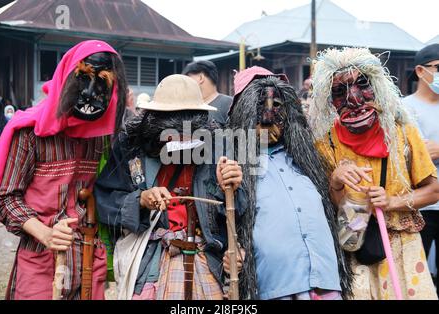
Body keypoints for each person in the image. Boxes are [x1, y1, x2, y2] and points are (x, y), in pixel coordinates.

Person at [0, 40, 127, 300]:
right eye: (82, 79)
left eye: (102, 82)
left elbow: (110, 190)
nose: (89, 92)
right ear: (66, 78)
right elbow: (6, 199)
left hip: (88, 259)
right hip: (39, 259)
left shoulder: (103, 136)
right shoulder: (31, 131)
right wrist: (46, 233)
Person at [94, 74, 245, 300]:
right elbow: (105, 199)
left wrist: (231, 187)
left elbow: (239, 211)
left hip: (205, 257)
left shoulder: (217, 145)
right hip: (151, 259)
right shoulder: (132, 147)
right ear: (155, 122)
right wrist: (141, 200)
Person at [310, 47, 439, 300]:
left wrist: (392, 202)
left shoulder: (403, 133)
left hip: (402, 249)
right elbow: (330, 207)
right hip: (354, 245)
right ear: (329, 99)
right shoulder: (326, 144)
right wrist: (336, 183)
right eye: (339, 91)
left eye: (362, 84)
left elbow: (434, 190)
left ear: (377, 86)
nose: (354, 99)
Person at [225, 66, 352, 300]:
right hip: (276, 284)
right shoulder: (232, 166)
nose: (268, 118)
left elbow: (335, 210)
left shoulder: (309, 159)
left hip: (325, 279)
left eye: (277, 109)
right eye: (259, 109)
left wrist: (335, 185)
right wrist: (230, 251)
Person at [403, 43, 439, 295]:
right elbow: (406, 154)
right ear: (420, 71)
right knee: (418, 276)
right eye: (438, 68)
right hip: (421, 205)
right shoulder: (404, 108)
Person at [182, 60, 232, 127]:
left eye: (187, 79)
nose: (185, 84)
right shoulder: (188, 107)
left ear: (201, 78)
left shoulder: (229, 104)